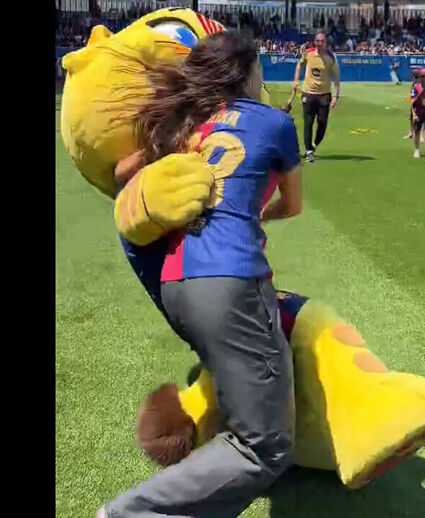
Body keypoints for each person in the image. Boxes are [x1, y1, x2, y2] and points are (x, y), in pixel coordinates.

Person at [99, 31, 304, 518]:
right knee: (265, 446)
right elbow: (292, 206)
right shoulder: (274, 122)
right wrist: (252, 214)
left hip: (172, 284)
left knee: (249, 387)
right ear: (249, 73)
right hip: (229, 279)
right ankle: (127, 513)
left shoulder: (188, 124)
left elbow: (121, 175)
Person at [293, 31, 341, 163]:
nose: (319, 43)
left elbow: (336, 79)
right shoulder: (308, 53)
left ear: (326, 43)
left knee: (322, 123)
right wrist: (296, 81)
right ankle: (308, 151)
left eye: (322, 41)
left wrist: (336, 97)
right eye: (317, 41)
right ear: (315, 42)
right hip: (308, 93)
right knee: (308, 123)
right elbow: (299, 66)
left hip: (324, 95)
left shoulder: (331, 57)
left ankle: (313, 145)